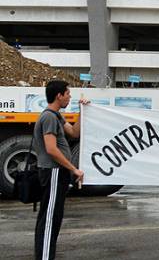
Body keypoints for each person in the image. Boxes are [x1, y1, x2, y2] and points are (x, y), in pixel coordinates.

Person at [34, 80, 87, 260]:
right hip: (53, 171)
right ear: (59, 95)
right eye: (68, 94)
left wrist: (82, 111)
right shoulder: (49, 117)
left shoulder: (56, 116)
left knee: (53, 217)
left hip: (58, 172)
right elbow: (51, 149)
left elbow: (74, 133)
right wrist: (74, 168)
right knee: (49, 219)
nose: (69, 97)